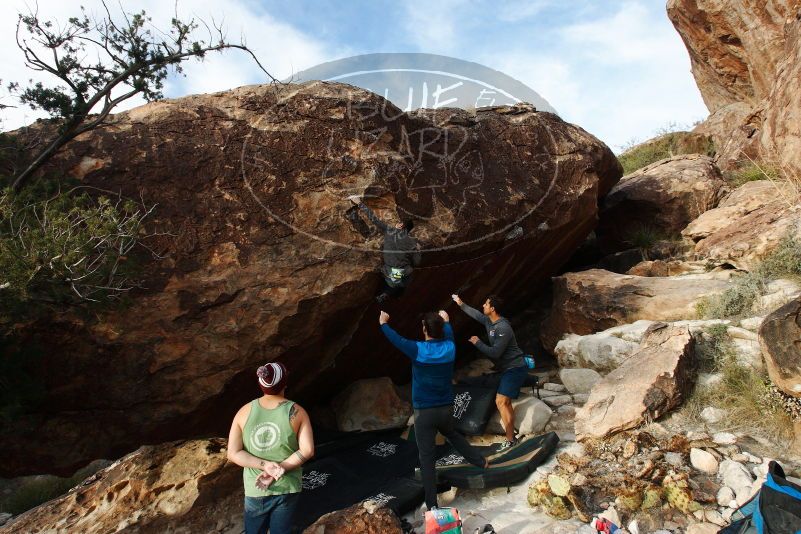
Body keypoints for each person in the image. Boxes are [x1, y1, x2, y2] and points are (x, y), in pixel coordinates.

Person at [378, 308, 488, 510]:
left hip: (424, 413)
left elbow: (396, 339)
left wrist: (383, 323)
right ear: (440, 330)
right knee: (453, 435)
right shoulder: (450, 347)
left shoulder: (417, 349)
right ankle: (480, 461)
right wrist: (446, 321)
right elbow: (448, 333)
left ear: (424, 329)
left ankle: (432, 506)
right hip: (445, 408)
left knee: (427, 459)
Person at [227, 362, 315, 534]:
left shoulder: (243, 412)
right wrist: (279, 469)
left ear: (261, 384)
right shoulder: (297, 412)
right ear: (285, 383)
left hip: (256, 487)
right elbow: (307, 450)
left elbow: (233, 453)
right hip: (287, 487)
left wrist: (265, 466)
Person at [452, 294, 528, 450]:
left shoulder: (503, 328)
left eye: (486, 304)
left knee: (501, 401)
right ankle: (511, 437)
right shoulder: (489, 321)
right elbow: (476, 315)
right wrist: (460, 303)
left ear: (492, 308)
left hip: (515, 368)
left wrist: (477, 342)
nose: (483, 306)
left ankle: (510, 439)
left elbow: (495, 353)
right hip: (504, 369)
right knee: (500, 399)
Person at [348, 195, 421, 303]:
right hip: (403, 272)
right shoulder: (412, 243)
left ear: (400, 225)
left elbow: (373, 219)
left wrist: (359, 203)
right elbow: (417, 262)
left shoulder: (389, 231)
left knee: (393, 282)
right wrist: (417, 250)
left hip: (392, 270)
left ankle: (385, 294)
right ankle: (393, 295)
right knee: (400, 282)